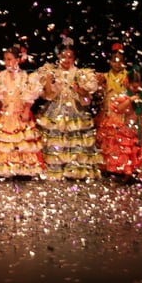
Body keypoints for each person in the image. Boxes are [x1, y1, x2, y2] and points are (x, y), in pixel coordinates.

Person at [36, 35, 102, 180]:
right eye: (63, 56)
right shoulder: (51, 72)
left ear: (74, 58)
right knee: (55, 139)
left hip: (75, 111)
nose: (66, 59)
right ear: (58, 56)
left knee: (75, 138)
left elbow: (86, 100)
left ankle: (74, 169)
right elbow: (48, 96)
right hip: (56, 109)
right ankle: (55, 169)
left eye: (70, 57)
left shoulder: (81, 74)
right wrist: (49, 83)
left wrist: (80, 90)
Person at [0, 44, 46, 178]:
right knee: (6, 142)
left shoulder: (25, 76)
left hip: (19, 113)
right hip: (6, 114)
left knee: (21, 142)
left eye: (10, 59)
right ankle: (6, 168)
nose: (7, 62)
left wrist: (26, 111)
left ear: (17, 60)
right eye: (5, 59)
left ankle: (22, 169)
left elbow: (30, 95)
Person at [95, 65, 142, 182]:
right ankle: (115, 168)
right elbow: (119, 109)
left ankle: (129, 171)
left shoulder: (141, 95)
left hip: (133, 124)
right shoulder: (123, 96)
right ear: (127, 82)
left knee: (130, 148)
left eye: (137, 84)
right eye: (133, 84)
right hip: (121, 123)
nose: (135, 87)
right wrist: (130, 100)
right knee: (118, 146)